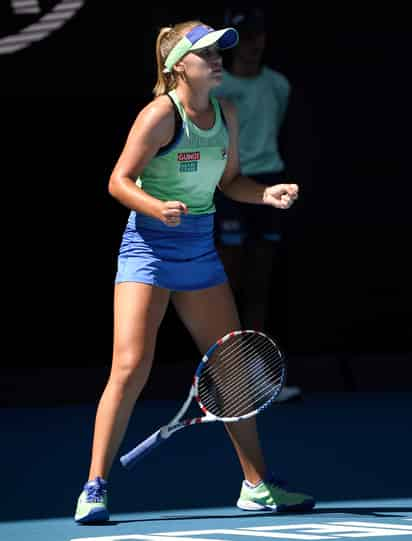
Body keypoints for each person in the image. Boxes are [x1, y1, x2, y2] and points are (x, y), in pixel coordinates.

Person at [74, 20, 315, 524]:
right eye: (206, 52)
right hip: (147, 251)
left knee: (230, 368)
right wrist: (155, 206)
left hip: (199, 253)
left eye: (220, 51)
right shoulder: (160, 116)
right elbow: (118, 181)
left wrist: (264, 195)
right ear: (179, 65)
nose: (219, 58)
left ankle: (256, 485)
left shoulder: (227, 113)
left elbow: (230, 181)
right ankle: (94, 487)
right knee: (130, 365)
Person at [213, 9, 301, 402]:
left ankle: (255, 373)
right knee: (224, 284)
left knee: (259, 284)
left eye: (257, 35)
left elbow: (275, 126)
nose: (253, 43)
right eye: (244, 36)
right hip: (231, 188)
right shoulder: (216, 88)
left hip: (269, 185)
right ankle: (225, 372)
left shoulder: (278, 85)